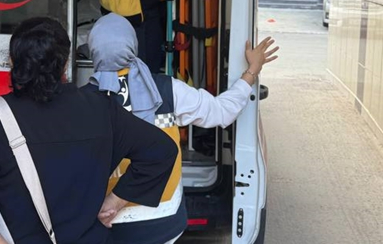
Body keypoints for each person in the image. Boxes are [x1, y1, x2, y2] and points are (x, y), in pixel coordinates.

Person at [0, 17, 178, 244]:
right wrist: (114, 202)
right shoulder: (101, 107)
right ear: (64, 63)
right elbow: (161, 150)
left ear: (12, 61)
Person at [87, 13, 279, 244]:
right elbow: (222, 111)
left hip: (105, 220)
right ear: (133, 45)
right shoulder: (168, 90)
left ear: (93, 51)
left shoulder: (79, 101)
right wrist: (251, 71)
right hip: (163, 221)